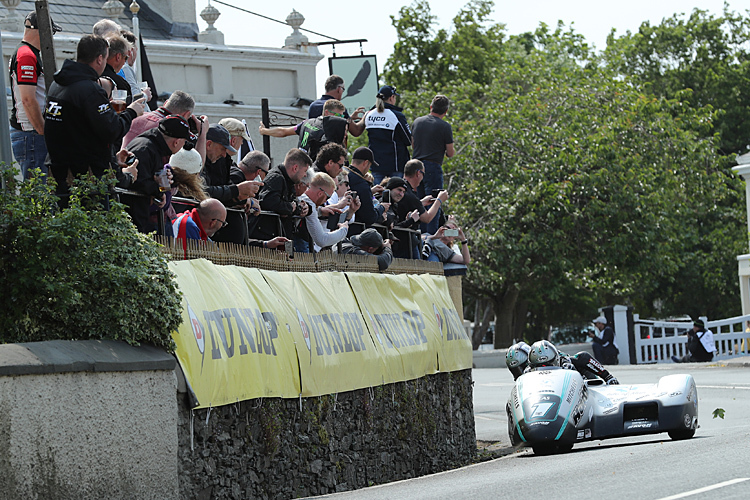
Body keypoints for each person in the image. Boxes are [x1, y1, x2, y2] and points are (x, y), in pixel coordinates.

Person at [44, 34, 146, 198]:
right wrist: (132, 111)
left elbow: (77, 129)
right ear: (100, 59)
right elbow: (112, 130)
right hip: (87, 179)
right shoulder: (89, 90)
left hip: (59, 173)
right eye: (105, 59)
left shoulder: (57, 85)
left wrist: (112, 157)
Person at [9, 12, 62, 180]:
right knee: (37, 192)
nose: (51, 39)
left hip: (30, 133)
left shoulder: (28, 53)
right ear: (41, 31)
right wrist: (42, 130)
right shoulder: (26, 56)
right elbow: (28, 99)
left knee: (39, 191)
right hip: (30, 133)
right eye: (50, 33)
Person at [126, 115, 194, 232]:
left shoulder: (154, 146)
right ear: (176, 142)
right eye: (184, 142)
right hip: (131, 219)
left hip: (137, 216)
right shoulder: (146, 148)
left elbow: (151, 177)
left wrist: (164, 185)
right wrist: (158, 191)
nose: (183, 146)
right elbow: (136, 180)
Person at [122, 90, 207, 163]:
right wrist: (202, 134)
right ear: (186, 114)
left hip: (124, 168)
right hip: (148, 176)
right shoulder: (171, 131)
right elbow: (196, 166)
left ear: (166, 103)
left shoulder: (136, 116)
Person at [411, 94, 455, 234]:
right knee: (434, 204)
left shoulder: (417, 122)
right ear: (446, 111)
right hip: (432, 167)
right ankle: (430, 239)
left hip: (415, 167)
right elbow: (450, 153)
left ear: (431, 107)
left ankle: (419, 238)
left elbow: (413, 145)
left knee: (419, 204)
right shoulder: (445, 126)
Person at [252, 149, 312, 240]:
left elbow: (292, 203)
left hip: (278, 236)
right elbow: (267, 202)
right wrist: (290, 208)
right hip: (267, 238)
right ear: (295, 168)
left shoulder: (288, 181)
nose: (305, 175)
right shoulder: (276, 178)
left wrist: (305, 208)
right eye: (305, 171)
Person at [260, 99, 349, 160]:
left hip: (299, 165)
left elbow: (283, 132)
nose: (341, 119)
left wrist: (264, 131)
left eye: (342, 116)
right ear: (327, 113)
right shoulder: (329, 130)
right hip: (314, 170)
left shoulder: (307, 122)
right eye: (339, 116)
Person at [361, 85, 412, 184]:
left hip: (376, 164)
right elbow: (408, 140)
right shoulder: (396, 115)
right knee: (396, 196)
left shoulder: (369, 114)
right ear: (391, 98)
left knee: (378, 195)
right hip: (395, 165)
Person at [297, 172, 359, 251]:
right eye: (328, 197)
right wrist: (343, 230)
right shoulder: (309, 204)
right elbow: (322, 240)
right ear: (320, 194)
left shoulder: (303, 199)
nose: (327, 200)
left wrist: (320, 210)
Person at [526, 340, 619, 384]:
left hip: (580, 385)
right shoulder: (527, 371)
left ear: (556, 360)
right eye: (540, 366)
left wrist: (608, 377)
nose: (545, 370)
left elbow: (583, 357)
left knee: (582, 357)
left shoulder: (565, 361)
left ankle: (608, 377)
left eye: (549, 365)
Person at [402, 159, 448, 231]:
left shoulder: (400, 188)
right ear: (418, 173)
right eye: (423, 174)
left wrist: (421, 203)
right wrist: (439, 200)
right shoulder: (411, 195)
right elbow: (427, 218)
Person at [347, 147, 389, 226]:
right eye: (369, 165)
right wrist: (382, 207)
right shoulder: (361, 183)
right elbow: (370, 218)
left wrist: (370, 191)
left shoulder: (342, 173)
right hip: (353, 229)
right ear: (365, 163)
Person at [101, 34, 132, 103]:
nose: (125, 63)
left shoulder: (91, 75)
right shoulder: (120, 83)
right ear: (118, 57)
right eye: (126, 58)